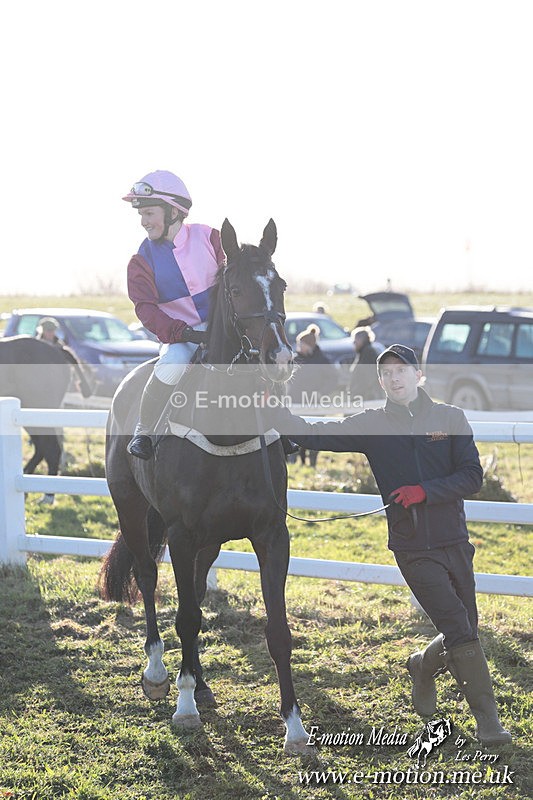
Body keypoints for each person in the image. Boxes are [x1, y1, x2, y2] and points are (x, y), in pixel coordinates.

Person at [263, 343, 511, 745]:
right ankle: (490, 725)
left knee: (466, 625)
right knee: (460, 630)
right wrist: (274, 410)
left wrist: (424, 491)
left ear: (419, 375)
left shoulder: (451, 417)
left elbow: (471, 477)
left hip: (456, 539)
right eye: (387, 374)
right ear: (380, 382)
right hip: (413, 546)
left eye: (401, 371)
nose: (394, 378)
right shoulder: (373, 424)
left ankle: (422, 666)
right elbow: (314, 433)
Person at [123, 170, 225, 460]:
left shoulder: (210, 237)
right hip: (181, 337)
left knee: (259, 358)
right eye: (141, 214)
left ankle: (279, 428)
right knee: (172, 364)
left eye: (149, 213)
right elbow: (146, 310)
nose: (144, 221)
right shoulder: (141, 260)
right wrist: (184, 333)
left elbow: (233, 283)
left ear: (173, 211)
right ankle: (144, 431)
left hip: (222, 329)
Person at [288, 324, 331, 467]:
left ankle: (313, 462)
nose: (298, 347)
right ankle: (298, 459)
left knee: (314, 433)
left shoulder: (322, 360)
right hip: (296, 403)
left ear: (308, 345)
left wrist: (322, 393)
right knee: (296, 431)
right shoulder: (295, 359)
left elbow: (333, 379)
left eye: (301, 344)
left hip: (315, 403)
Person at [348, 326, 384, 401]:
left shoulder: (368, 354)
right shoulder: (363, 353)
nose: (354, 342)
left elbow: (369, 378)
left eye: (356, 339)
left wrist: (358, 394)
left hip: (367, 398)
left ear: (362, 340)